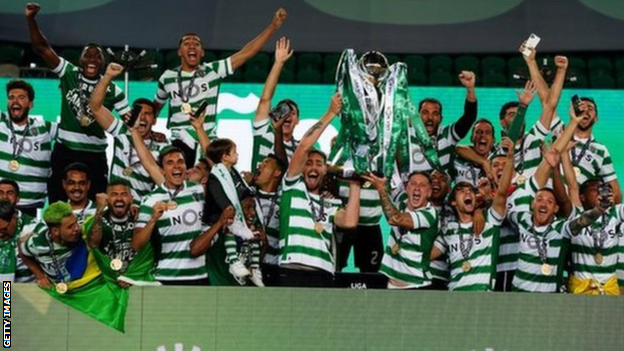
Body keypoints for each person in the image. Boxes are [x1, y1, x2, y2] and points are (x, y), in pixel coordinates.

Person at [153, 8, 288, 169]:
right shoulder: (167, 77)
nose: (192, 46)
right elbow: (155, 108)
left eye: (196, 44)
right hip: (179, 143)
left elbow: (247, 52)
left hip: (208, 142)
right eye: (186, 43)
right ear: (179, 52)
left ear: (202, 52)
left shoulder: (213, 70)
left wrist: (273, 26)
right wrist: (151, 132)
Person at [25, 3, 131, 203]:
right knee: (57, 203)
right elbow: (41, 48)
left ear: (103, 63)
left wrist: (150, 133)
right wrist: (31, 19)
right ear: (80, 60)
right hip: (65, 151)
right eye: (87, 55)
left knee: (95, 206)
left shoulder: (114, 90)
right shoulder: (68, 72)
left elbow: (130, 124)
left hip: (95, 155)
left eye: (97, 56)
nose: (92, 59)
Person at [277, 93, 361, 287]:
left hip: (323, 272)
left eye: (319, 164)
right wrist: (330, 113)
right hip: (291, 269)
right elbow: (304, 146)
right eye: (309, 163)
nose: (313, 167)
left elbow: (349, 222)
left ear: (326, 170)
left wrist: (355, 183)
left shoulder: (330, 202)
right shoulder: (292, 187)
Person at [430, 137, 515, 291]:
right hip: (455, 295)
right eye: (461, 191)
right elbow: (427, 256)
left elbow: (501, 193)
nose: (467, 192)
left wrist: (510, 159)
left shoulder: (490, 221)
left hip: (482, 296)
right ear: (453, 202)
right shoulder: (448, 229)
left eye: (471, 191)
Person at [89, 63, 169, 204]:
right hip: (115, 205)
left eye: (148, 114)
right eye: (139, 113)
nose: (142, 118)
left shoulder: (162, 145)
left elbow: (164, 179)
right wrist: (107, 77)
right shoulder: (121, 131)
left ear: (155, 120)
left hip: (142, 207)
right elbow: (95, 107)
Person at [133, 147, 213, 285]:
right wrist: (153, 220)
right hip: (166, 276)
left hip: (199, 275)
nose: (176, 166)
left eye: (180, 162)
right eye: (170, 163)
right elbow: (136, 245)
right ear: (162, 170)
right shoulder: (150, 200)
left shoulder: (198, 191)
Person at [561, 144, 624, 295]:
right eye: (595, 189)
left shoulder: (616, 212)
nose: (600, 192)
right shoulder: (576, 213)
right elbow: (572, 186)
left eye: (604, 189)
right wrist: (564, 155)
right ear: (582, 197)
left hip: (610, 290)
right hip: (580, 289)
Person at [204, 138, 265, 286]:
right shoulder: (216, 175)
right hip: (216, 220)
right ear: (225, 156)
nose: (237, 155)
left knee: (253, 232)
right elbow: (221, 198)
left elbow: (241, 193)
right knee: (230, 226)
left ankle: (254, 268)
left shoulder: (233, 173)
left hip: (235, 217)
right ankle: (233, 262)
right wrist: (228, 210)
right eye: (234, 152)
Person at [400, 71, 477, 177]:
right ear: (417, 116)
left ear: (441, 119)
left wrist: (470, 89)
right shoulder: (406, 134)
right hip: (412, 190)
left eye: (435, 113)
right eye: (425, 112)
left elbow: (469, 117)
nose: (430, 117)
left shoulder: (447, 134)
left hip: (439, 191)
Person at [0, 80, 57, 217]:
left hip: (31, 204)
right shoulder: (1, 121)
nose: (15, 101)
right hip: (1, 202)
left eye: (21, 98)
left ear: (30, 104)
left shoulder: (45, 128)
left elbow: (73, 131)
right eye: (11, 97)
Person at [251, 37, 300, 170]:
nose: (287, 116)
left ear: (298, 121)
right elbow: (265, 99)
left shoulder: (301, 149)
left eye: (292, 113)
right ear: (273, 114)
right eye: (283, 112)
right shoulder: (263, 132)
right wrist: (278, 63)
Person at [18, 202, 82, 292]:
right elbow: (23, 252)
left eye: (76, 223)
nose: (76, 228)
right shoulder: (37, 244)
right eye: (70, 227)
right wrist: (39, 275)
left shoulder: (82, 233)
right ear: (55, 231)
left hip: (83, 288)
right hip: (54, 291)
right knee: (6, 302)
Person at [84, 180, 137, 287]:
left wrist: (132, 275)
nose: (119, 198)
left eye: (124, 194)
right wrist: (99, 210)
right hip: (105, 282)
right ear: (107, 199)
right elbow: (93, 244)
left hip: (135, 279)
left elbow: (147, 254)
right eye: (114, 194)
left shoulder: (139, 219)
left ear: (131, 199)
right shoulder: (96, 220)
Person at [250, 154, 286, 285]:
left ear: (277, 172)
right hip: (247, 266)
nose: (260, 166)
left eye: (266, 164)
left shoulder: (285, 200)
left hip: (273, 267)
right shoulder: (248, 195)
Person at [453, 118, 496, 186]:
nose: (482, 135)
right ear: (471, 138)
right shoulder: (458, 159)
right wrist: (483, 161)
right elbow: (457, 148)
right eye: (478, 132)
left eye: (487, 132)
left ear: (493, 141)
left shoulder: (498, 157)